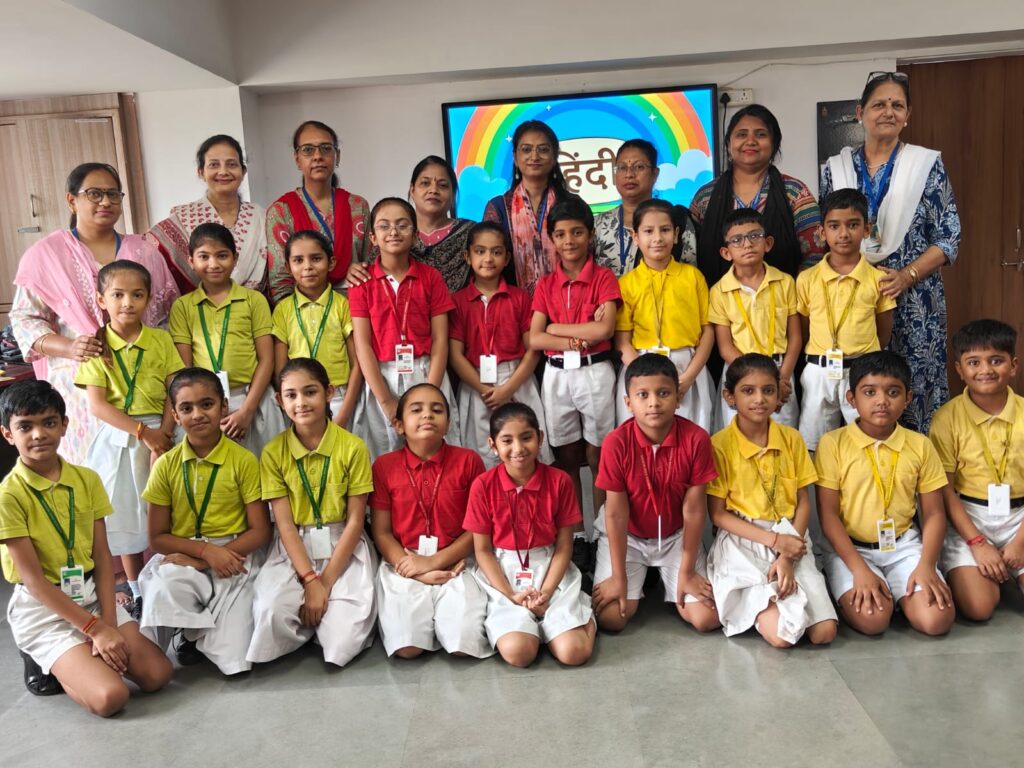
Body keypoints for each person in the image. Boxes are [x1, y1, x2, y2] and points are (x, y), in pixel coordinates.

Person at [0, 381, 172, 715]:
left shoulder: (87, 480)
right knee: (111, 697)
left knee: (157, 675)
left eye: (49, 422)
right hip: (42, 606)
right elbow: (34, 581)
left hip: (90, 593)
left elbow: (102, 558)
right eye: (25, 426)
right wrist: (95, 630)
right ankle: (43, 661)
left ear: (64, 425)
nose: (38, 434)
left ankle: (81, 658)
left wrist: (107, 623)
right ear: (8, 434)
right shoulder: (8, 495)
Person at [11, 162, 178, 465]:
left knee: (149, 472)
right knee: (90, 470)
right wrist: (70, 347)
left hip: (144, 378)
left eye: (113, 194)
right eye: (94, 194)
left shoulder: (144, 251)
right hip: (81, 383)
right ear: (71, 200)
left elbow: (167, 315)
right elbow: (24, 319)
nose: (105, 202)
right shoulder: (46, 255)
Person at [821, 71, 961, 433]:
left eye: (897, 105)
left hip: (914, 298)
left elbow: (948, 237)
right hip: (853, 299)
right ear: (860, 112)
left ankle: (918, 464)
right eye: (879, 104)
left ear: (907, 115)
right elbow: (828, 232)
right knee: (857, 389)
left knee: (914, 386)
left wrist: (907, 276)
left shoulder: (925, 165)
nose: (888, 112)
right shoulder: (835, 169)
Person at [139, 368, 271, 674]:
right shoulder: (165, 465)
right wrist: (203, 553)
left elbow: (260, 531)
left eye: (207, 404)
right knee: (163, 588)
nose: (197, 414)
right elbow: (157, 537)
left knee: (237, 661)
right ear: (175, 415)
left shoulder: (244, 460)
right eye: (186, 408)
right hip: (183, 553)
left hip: (235, 554)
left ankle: (196, 633)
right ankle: (187, 630)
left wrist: (212, 557)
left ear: (224, 406)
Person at [247, 359, 377, 667]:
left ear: (329, 392)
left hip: (343, 544)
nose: (301, 403)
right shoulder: (273, 453)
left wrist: (324, 583)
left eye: (310, 392)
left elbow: (355, 521)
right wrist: (309, 580)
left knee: (342, 645)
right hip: (294, 547)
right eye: (291, 395)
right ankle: (313, 620)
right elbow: (284, 525)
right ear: (279, 400)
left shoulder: (353, 447)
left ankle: (322, 620)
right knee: (270, 613)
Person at [816, 352, 955, 636]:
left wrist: (927, 565)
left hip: (903, 546)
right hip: (851, 549)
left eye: (893, 392)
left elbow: (934, 513)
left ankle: (898, 589)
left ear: (907, 398)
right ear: (851, 398)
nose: (882, 401)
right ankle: (854, 581)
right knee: (873, 621)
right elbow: (828, 516)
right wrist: (859, 570)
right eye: (870, 392)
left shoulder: (920, 444)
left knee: (936, 620)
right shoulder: (832, 443)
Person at [74, 261, 184, 618]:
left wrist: (164, 433)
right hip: (120, 438)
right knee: (124, 513)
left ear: (148, 299)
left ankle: (172, 583)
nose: (127, 303)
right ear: (101, 299)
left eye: (137, 295)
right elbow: (98, 405)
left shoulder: (160, 339)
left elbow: (174, 390)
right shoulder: (97, 347)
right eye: (118, 295)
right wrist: (143, 433)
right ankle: (136, 589)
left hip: (165, 432)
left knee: (169, 509)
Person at [706, 354, 837, 647]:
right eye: (748, 390)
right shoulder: (719, 445)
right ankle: (762, 606)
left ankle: (785, 601)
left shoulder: (792, 438)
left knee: (824, 633)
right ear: (729, 396)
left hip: (792, 535)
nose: (759, 399)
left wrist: (787, 555)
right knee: (783, 637)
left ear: (779, 395)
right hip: (745, 540)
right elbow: (718, 515)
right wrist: (775, 542)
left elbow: (804, 502)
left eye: (768, 390)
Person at [591, 354, 720, 633]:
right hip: (630, 536)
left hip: (675, 536)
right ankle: (639, 576)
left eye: (663, 393)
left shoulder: (696, 439)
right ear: (628, 403)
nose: (653, 403)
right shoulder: (615, 443)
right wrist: (618, 577)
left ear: (678, 398)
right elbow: (615, 514)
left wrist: (687, 572)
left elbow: (694, 510)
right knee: (612, 618)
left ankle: (667, 574)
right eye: (643, 395)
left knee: (706, 619)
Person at [464, 403, 596, 667]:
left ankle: (582, 619)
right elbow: (483, 551)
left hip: (550, 568)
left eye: (526, 437)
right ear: (492, 445)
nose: (518, 448)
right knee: (519, 654)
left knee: (574, 653)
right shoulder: (483, 485)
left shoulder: (559, 480)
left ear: (540, 437)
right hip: (503, 572)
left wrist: (545, 592)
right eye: (507, 440)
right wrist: (509, 594)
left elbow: (564, 547)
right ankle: (535, 627)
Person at [529, 196, 621, 574]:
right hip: (556, 375)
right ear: (551, 238)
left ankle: (602, 533)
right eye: (561, 234)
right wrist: (572, 335)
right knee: (566, 456)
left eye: (577, 232)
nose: (569, 241)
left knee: (598, 456)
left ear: (590, 234)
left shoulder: (603, 277)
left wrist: (555, 328)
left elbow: (605, 330)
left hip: (595, 372)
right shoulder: (546, 284)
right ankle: (579, 534)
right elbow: (535, 338)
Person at [371, 383, 492, 659]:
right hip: (404, 562)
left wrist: (435, 562)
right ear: (399, 425)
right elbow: (382, 533)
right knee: (407, 648)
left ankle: (444, 621)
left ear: (448, 424)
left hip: (457, 561)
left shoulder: (469, 461)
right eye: (416, 410)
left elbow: (478, 529)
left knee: (462, 645)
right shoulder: (384, 467)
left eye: (437, 410)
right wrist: (416, 569)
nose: (427, 415)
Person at [349, 198, 460, 460]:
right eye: (384, 226)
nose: (393, 232)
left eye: (402, 225)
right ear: (373, 238)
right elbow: (362, 345)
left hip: (426, 371)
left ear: (415, 234)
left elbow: (440, 339)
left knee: (434, 450)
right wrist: (386, 400)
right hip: (381, 377)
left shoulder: (431, 277)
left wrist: (431, 394)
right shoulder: (362, 282)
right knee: (386, 455)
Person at [930, 320, 1024, 621]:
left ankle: (1007, 566)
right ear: (960, 369)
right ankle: (989, 572)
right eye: (974, 362)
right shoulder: (946, 418)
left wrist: (1019, 542)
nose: (985, 370)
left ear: (1013, 365)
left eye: (996, 360)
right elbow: (945, 490)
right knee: (979, 607)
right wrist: (978, 543)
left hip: (1020, 519)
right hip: (969, 518)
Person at [170, 223, 284, 456]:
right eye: (204, 256)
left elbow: (267, 360)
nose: (213, 264)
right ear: (191, 261)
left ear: (235, 259)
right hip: (204, 405)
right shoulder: (183, 306)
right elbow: (185, 369)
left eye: (222, 255)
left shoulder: (254, 300)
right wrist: (205, 409)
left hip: (254, 399)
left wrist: (247, 411)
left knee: (264, 467)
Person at [797, 189, 895, 451]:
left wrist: (865, 358)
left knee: (868, 439)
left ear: (866, 229)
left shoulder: (878, 279)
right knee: (815, 444)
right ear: (821, 232)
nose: (843, 234)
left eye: (853, 225)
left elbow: (884, 330)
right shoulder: (806, 279)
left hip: (864, 371)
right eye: (834, 226)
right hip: (819, 370)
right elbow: (803, 328)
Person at [449, 222, 551, 468]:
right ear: (467, 256)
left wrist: (507, 389)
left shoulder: (520, 297)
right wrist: (484, 389)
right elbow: (455, 355)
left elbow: (532, 349)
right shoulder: (458, 301)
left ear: (507, 258)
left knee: (525, 452)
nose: (488, 259)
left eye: (496, 252)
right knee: (482, 457)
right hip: (475, 384)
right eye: (480, 251)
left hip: (516, 379)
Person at [692, 104, 822, 286]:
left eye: (761, 134)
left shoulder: (795, 192)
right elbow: (691, 258)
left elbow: (815, 256)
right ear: (728, 144)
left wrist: (790, 294)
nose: (751, 141)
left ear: (774, 144)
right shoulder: (705, 196)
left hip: (783, 300)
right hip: (717, 301)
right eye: (741, 134)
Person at [614, 199, 714, 432]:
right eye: (648, 231)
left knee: (689, 435)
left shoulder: (693, 277)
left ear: (676, 234)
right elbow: (622, 341)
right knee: (642, 438)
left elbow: (707, 331)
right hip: (639, 367)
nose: (657, 238)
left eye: (665, 230)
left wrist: (688, 378)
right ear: (635, 236)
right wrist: (644, 377)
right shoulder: (626, 284)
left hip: (687, 367)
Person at [709, 209, 801, 430]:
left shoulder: (785, 282)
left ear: (767, 243)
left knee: (782, 435)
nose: (747, 244)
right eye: (737, 240)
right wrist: (752, 377)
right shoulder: (719, 291)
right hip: (739, 372)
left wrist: (781, 379)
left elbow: (796, 338)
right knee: (739, 436)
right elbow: (725, 347)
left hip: (780, 371)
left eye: (754, 236)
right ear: (726, 252)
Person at [266, 120, 370, 305]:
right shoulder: (281, 211)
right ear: (297, 159)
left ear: (337, 156)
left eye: (326, 148)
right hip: (302, 312)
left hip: (355, 308)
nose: (318, 156)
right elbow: (280, 282)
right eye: (308, 150)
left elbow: (372, 264)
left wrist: (361, 269)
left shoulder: (358, 206)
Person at [146, 134, 267, 294]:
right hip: (196, 307)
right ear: (201, 172)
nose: (223, 171)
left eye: (231, 164)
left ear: (243, 171)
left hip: (254, 307)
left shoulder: (262, 217)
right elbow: (152, 255)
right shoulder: (182, 218)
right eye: (214, 165)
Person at [271, 230, 364, 433]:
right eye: (298, 260)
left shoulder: (344, 305)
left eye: (316, 258)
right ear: (288, 266)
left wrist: (345, 412)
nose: (308, 267)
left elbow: (358, 363)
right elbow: (280, 369)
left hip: (339, 396)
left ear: (331, 263)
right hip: (299, 400)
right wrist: (290, 402)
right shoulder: (283, 310)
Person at [348, 156, 475, 293]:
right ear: (412, 190)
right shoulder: (391, 237)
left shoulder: (470, 233)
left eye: (443, 185)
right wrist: (355, 271)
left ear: (453, 193)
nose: (433, 190)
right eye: (425, 183)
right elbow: (372, 277)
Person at [483, 120, 570, 295]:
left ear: (554, 157)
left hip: (568, 301)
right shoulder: (498, 208)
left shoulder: (571, 204)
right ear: (515, 158)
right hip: (513, 304)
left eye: (543, 149)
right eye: (526, 149)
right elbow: (488, 262)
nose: (534, 156)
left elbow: (586, 255)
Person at [593, 138, 699, 276]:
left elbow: (690, 276)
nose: (629, 174)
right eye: (622, 168)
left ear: (655, 173)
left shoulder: (676, 220)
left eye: (639, 167)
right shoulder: (598, 225)